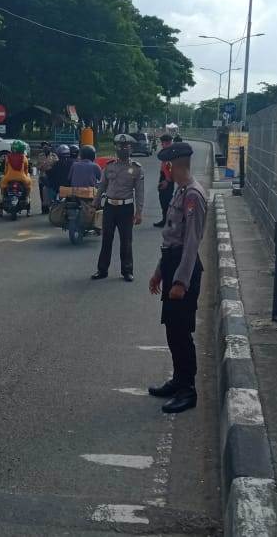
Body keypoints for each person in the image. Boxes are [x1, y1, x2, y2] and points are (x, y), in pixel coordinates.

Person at [148, 141, 207, 413]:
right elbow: (171, 238)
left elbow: (191, 243)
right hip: (172, 263)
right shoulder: (181, 192)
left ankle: (188, 390)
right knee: (172, 329)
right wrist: (160, 272)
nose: (166, 171)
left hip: (185, 269)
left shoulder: (193, 195)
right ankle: (178, 380)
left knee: (182, 332)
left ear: (174, 166)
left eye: (167, 166)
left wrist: (181, 281)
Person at [92, 134, 144, 282]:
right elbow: (102, 185)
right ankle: (102, 270)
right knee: (106, 239)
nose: (122, 149)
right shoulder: (109, 166)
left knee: (126, 241)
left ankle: (127, 270)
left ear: (131, 148)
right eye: (120, 146)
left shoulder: (136, 169)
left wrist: (139, 212)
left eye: (125, 146)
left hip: (126, 208)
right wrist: (95, 202)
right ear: (116, 148)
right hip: (109, 207)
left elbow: (139, 192)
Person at [153, 133, 175, 228]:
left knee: (166, 200)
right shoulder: (167, 152)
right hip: (165, 177)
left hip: (167, 178)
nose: (161, 145)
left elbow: (169, 168)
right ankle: (165, 219)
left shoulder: (170, 153)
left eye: (163, 143)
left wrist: (167, 180)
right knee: (164, 200)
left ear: (168, 142)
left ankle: (168, 220)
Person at [35, 141, 58, 213]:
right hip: (42, 177)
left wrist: (49, 166)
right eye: (43, 147)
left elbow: (57, 164)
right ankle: (44, 209)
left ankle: (53, 208)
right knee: (42, 194)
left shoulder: (54, 155)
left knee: (53, 193)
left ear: (49, 147)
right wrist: (42, 165)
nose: (45, 148)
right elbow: (37, 166)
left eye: (46, 146)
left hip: (51, 177)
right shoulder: (40, 156)